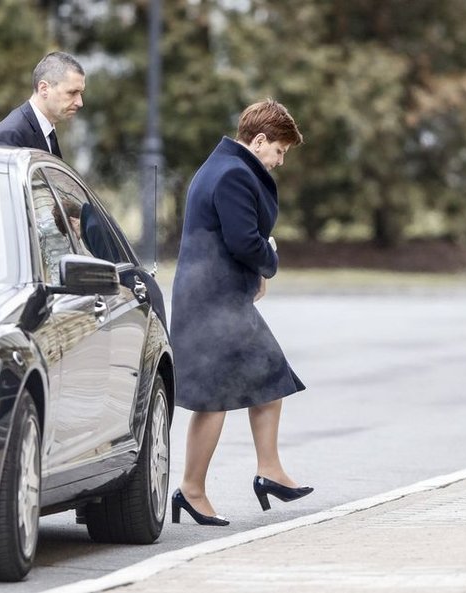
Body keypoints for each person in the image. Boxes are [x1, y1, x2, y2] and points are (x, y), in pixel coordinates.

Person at [169, 99, 311, 526]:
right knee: (215, 400)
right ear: (260, 139)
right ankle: (192, 490)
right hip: (213, 302)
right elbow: (245, 242)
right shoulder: (233, 173)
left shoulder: (226, 166)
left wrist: (254, 273)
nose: (280, 161)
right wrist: (269, 258)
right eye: (280, 151)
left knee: (268, 375)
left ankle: (268, 471)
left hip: (217, 298)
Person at [0, 51, 85, 158]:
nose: (80, 103)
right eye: (72, 92)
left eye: (80, 93)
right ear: (44, 89)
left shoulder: (47, 131)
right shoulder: (10, 136)